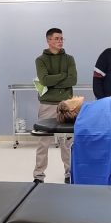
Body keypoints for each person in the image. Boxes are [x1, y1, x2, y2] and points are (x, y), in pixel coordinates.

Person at [34, 28, 77, 183]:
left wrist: (53, 81)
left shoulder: (69, 59)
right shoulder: (40, 60)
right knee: (43, 141)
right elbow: (44, 80)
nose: (60, 41)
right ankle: (38, 175)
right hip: (47, 105)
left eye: (61, 38)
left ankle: (69, 173)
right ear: (49, 40)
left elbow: (73, 80)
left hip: (67, 104)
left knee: (67, 142)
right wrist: (63, 76)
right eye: (57, 38)